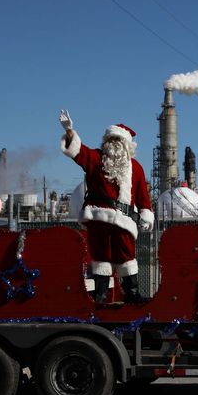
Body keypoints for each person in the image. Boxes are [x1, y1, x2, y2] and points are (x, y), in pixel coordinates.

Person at [59, 109, 154, 304]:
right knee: (101, 255)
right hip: (99, 217)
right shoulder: (96, 158)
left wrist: (145, 214)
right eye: (111, 140)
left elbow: (143, 196)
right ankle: (100, 294)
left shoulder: (135, 167)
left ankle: (131, 293)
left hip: (124, 220)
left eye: (118, 141)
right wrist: (70, 130)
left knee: (126, 255)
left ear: (127, 145)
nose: (114, 144)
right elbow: (78, 152)